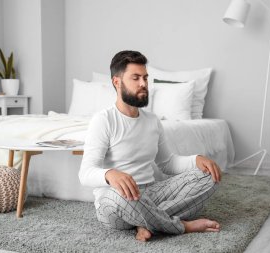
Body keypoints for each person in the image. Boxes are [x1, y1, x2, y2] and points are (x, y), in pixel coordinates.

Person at [79, 50, 221, 242]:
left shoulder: (153, 121)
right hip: (115, 202)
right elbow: (85, 173)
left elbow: (167, 163)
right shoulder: (103, 120)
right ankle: (181, 226)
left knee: (209, 176)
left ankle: (145, 221)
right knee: (116, 196)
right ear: (117, 82)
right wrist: (109, 174)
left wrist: (196, 159)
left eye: (145, 78)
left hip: (150, 193)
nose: (143, 84)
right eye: (136, 78)